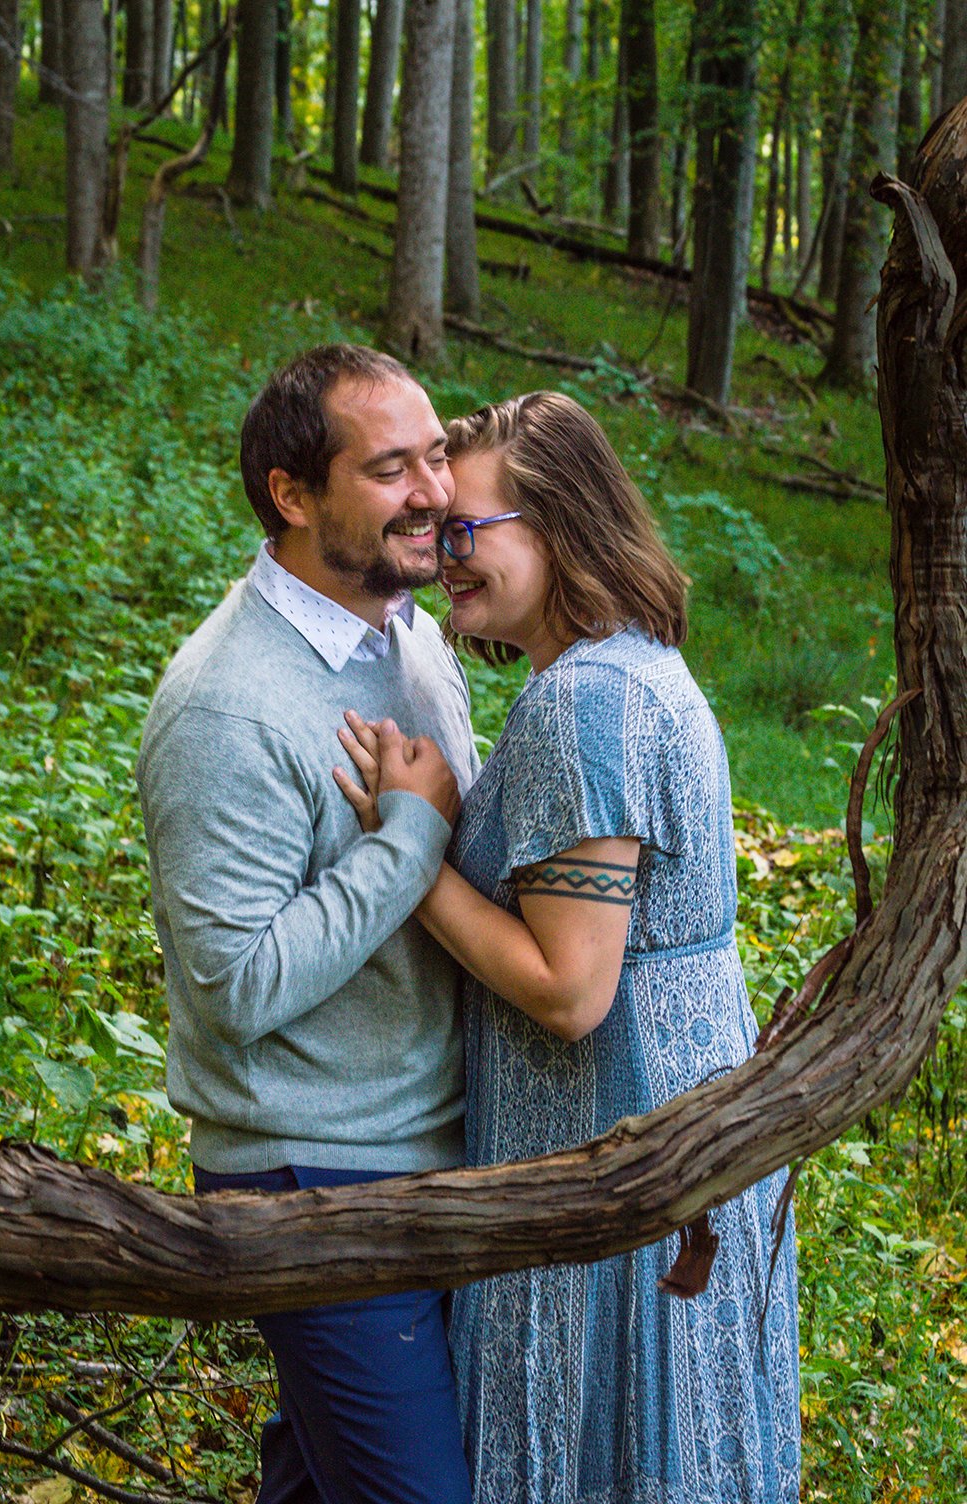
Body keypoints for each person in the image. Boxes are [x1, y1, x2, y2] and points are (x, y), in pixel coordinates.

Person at [335, 391, 802, 1504]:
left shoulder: (583, 704)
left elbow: (570, 987)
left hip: (612, 1145)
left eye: (470, 530)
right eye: (439, 532)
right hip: (685, 1128)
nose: (447, 556)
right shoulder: (626, 665)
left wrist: (412, 858)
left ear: (562, 523)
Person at [136, 344, 479, 1504]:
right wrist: (409, 838)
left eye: (436, 453)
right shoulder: (226, 705)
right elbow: (233, 986)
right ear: (293, 494)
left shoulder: (411, 636)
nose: (435, 490)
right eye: (390, 468)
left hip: (423, 1149)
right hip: (312, 1178)